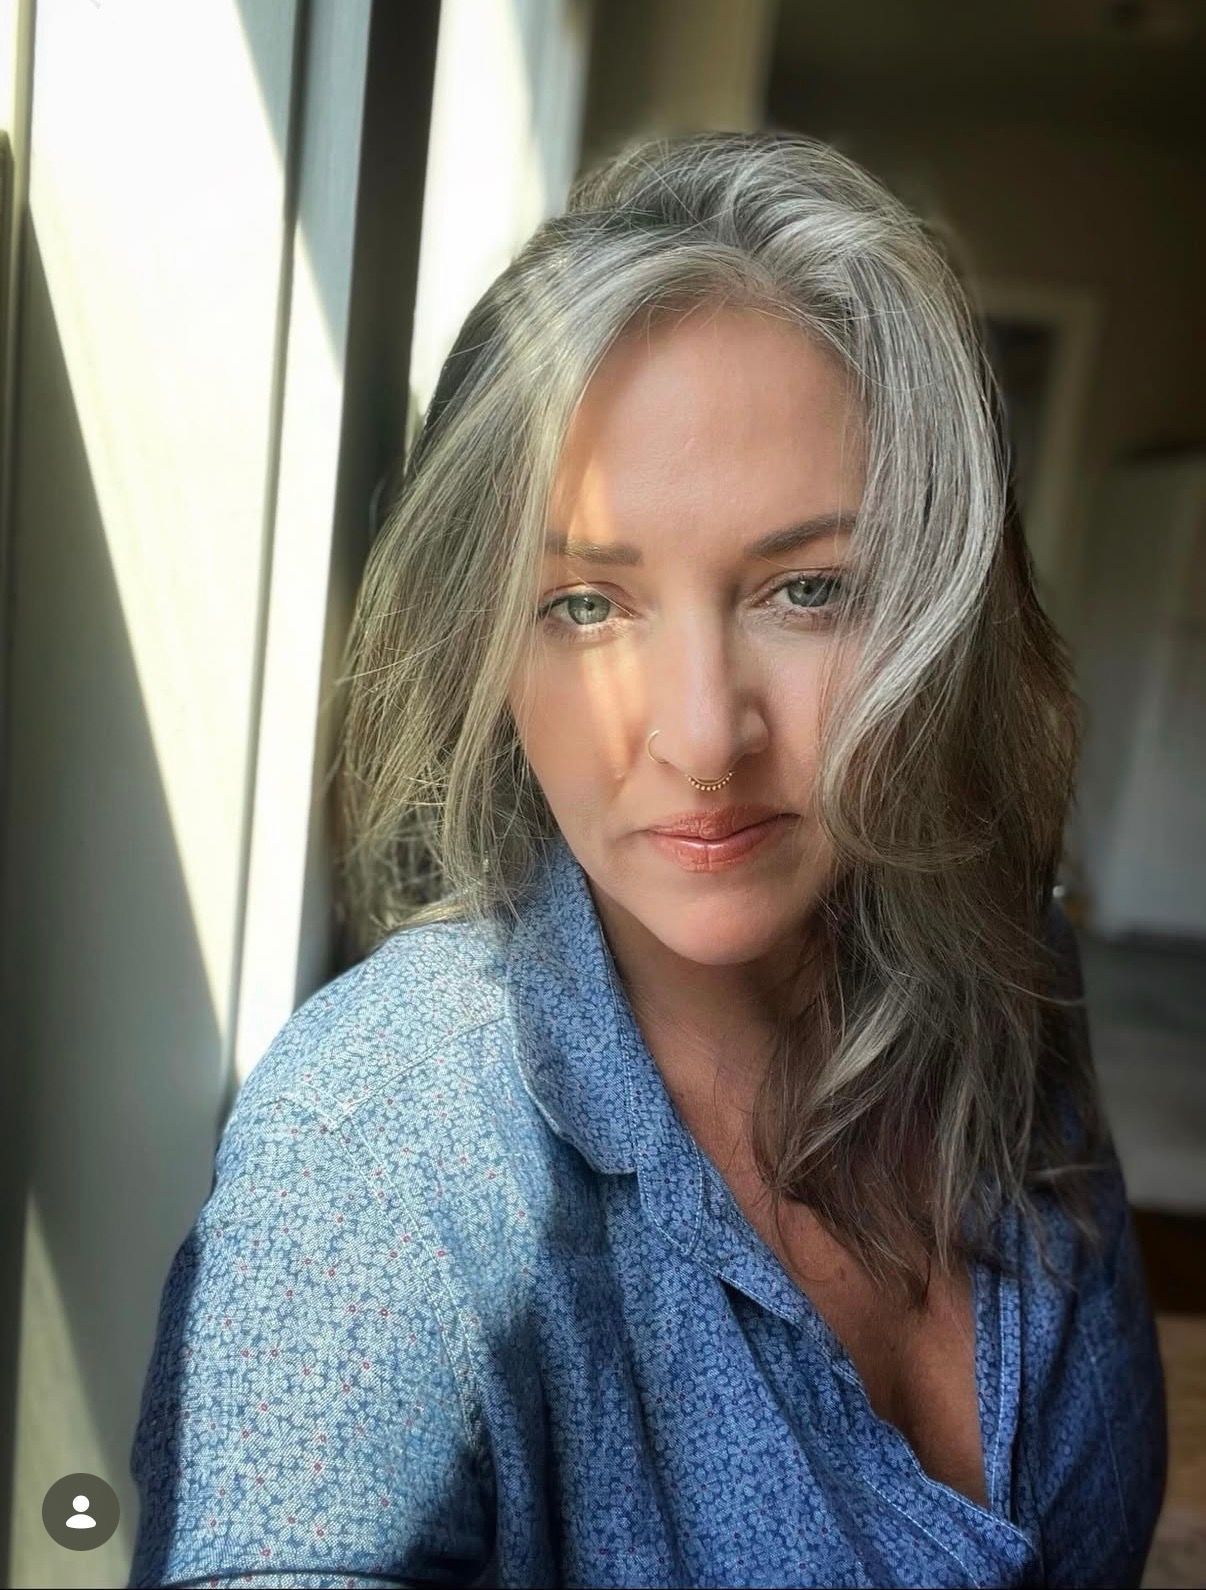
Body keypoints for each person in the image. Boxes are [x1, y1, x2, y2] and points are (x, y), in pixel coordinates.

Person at [126, 130, 1167, 1589]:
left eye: (810, 589)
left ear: (936, 607)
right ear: (484, 636)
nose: (698, 735)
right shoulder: (386, 1146)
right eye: (586, 603)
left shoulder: (1011, 961)